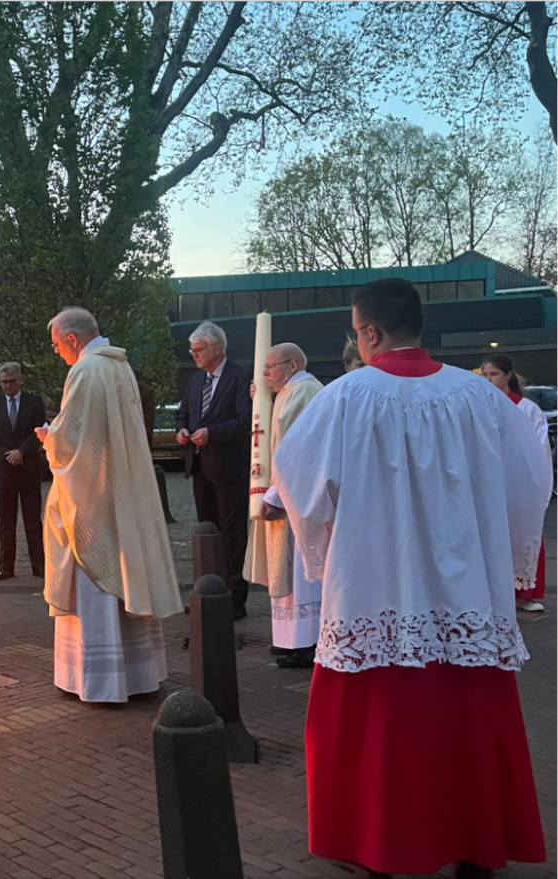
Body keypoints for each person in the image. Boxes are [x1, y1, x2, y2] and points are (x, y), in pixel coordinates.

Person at [273, 278, 552, 879]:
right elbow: (531, 480)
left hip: (374, 586)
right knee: (466, 722)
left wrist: (320, 547)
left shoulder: (346, 398)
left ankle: (379, 845)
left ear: (369, 332)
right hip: (467, 596)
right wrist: (509, 561)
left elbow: (295, 477)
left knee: (378, 730)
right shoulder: (479, 397)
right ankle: (475, 842)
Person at [37, 307, 182, 702]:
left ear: (72, 338)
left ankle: (99, 680)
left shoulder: (85, 371)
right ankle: (137, 674)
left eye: (56, 345)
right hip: (122, 490)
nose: (57, 353)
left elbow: (76, 445)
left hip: (96, 501)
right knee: (125, 573)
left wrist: (50, 438)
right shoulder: (120, 367)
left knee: (96, 585)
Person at [245, 343, 324, 668]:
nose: (264, 374)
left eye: (270, 367)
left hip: (297, 501)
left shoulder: (304, 392)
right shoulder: (292, 391)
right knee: (287, 570)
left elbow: (295, 452)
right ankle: (290, 639)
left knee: (300, 572)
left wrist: (275, 496)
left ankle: (305, 642)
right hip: (288, 498)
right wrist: (261, 403)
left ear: (291, 365)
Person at [175, 321, 252, 619]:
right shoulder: (196, 381)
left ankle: (234, 600)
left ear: (216, 349)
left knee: (232, 534)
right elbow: (184, 414)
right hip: (200, 468)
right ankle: (208, 592)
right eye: (192, 349)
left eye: (198, 349)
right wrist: (182, 431)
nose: (193, 354)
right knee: (207, 533)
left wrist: (212, 433)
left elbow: (245, 421)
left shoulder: (240, 376)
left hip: (229, 468)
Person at [481, 354, 549, 613]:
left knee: (524, 533)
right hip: (490, 483)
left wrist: (539, 485)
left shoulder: (526, 409)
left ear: (508, 375)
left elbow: (539, 448)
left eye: (494, 374)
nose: (489, 379)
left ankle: (525, 593)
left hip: (519, 484)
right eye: (485, 375)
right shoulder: (480, 407)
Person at [0, 362, 47, 581]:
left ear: (20, 380)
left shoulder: (34, 402)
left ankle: (39, 564)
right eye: (4, 382)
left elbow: (39, 430)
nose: (8, 386)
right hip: (4, 470)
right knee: (6, 522)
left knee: (33, 520)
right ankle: (6, 566)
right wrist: (8, 454)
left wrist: (21, 452)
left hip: (28, 469)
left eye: (11, 382)